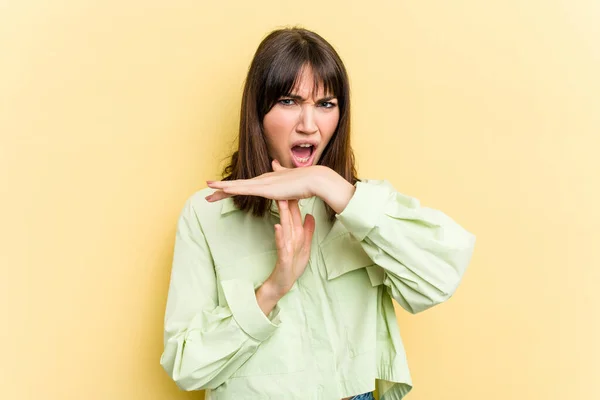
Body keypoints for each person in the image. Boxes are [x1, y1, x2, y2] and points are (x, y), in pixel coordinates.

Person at [159, 27, 476, 400]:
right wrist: (272, 289)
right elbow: (186, 366)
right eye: (290, 101)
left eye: (326, 104)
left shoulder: (360, 206)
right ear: (258, 111)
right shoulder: (207, 215)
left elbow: (440, 275)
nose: (309, 124)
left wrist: (327, 183)